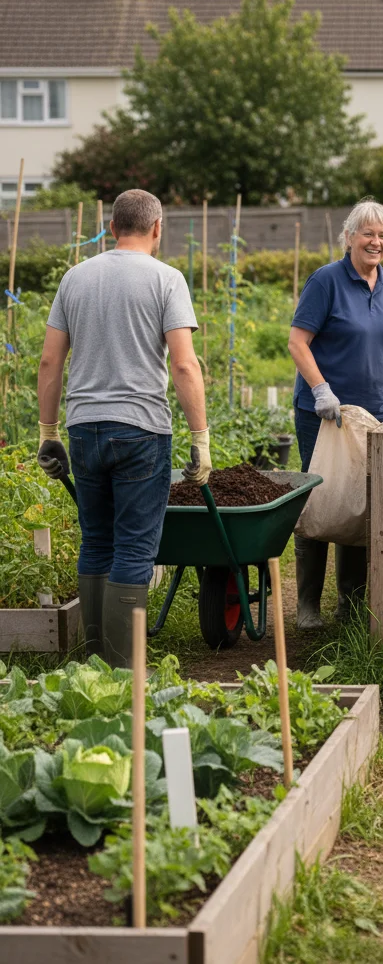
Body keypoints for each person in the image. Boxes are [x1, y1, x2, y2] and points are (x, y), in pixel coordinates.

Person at [36, 189, 210, 667]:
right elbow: (184, 366)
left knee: (96, 540)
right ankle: (123, 671)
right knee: (134, 546)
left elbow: (51, 360)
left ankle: (94, 664)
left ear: (112, 228)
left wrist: (48, 432)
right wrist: (200, 438)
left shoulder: (75, 277)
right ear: (157, 229)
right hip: (141, 431)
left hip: (84, 428)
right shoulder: (167, 279)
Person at [288, 199, 383, 629]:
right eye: (367, 233)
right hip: (326, 413)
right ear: (349, 237)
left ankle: (349, 607)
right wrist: (320, 389)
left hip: (374, 414)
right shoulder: (326, 281)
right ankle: (308, 606)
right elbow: (298, 342)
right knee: (320, 499)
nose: (375, 241)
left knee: (362, 503)